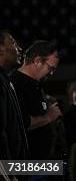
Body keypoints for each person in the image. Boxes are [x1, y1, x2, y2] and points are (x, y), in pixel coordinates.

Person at [10, 40, 62, 160]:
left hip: (42, 164)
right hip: (25, 165)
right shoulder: (15, 83)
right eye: (50, 68)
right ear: (37, 61)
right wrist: (49, 116)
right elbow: (19, 123)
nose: (52, 73)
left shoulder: (35, 84)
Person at [0, 32, 28, 160]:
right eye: (14, 43)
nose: (20, 49)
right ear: (1, 48)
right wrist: (8, 174)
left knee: (56, 168)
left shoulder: (6, 80)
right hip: (8, 172)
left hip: (16, 170)